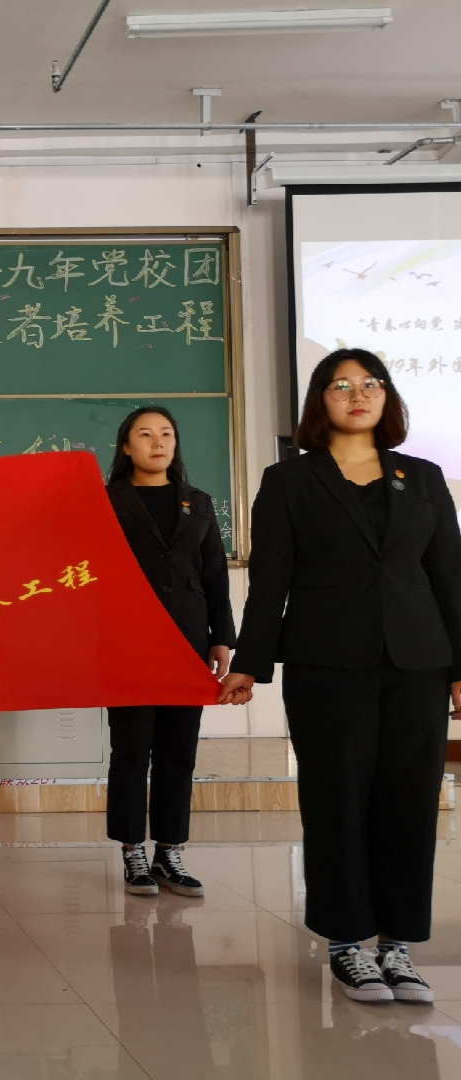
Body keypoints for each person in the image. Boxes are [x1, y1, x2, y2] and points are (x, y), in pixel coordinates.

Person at [219, 348, 461, 1004]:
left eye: (370, 384)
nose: (358, 394)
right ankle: (348, 943)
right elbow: (271, 580)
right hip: (326, 663)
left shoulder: (424, 477)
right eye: (341, 385)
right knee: (338, 799)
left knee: (410, 802)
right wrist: (250, 663)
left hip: (418, 661)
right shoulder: (289, 481)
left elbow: (448, 576)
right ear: (319, 402)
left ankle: (398, 946)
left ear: (387, 397)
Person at [105, 407, 235, 898]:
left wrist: (221, 637)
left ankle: (169, 852)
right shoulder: (106, 501)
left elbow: (214, 574)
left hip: (187, 639)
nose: (158, 442)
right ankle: (132, 851)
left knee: (179, 751)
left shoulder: (196, 502)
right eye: (145, 434)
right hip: (128, 640)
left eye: (166, 434)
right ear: (126, 447)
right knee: (132, 750)